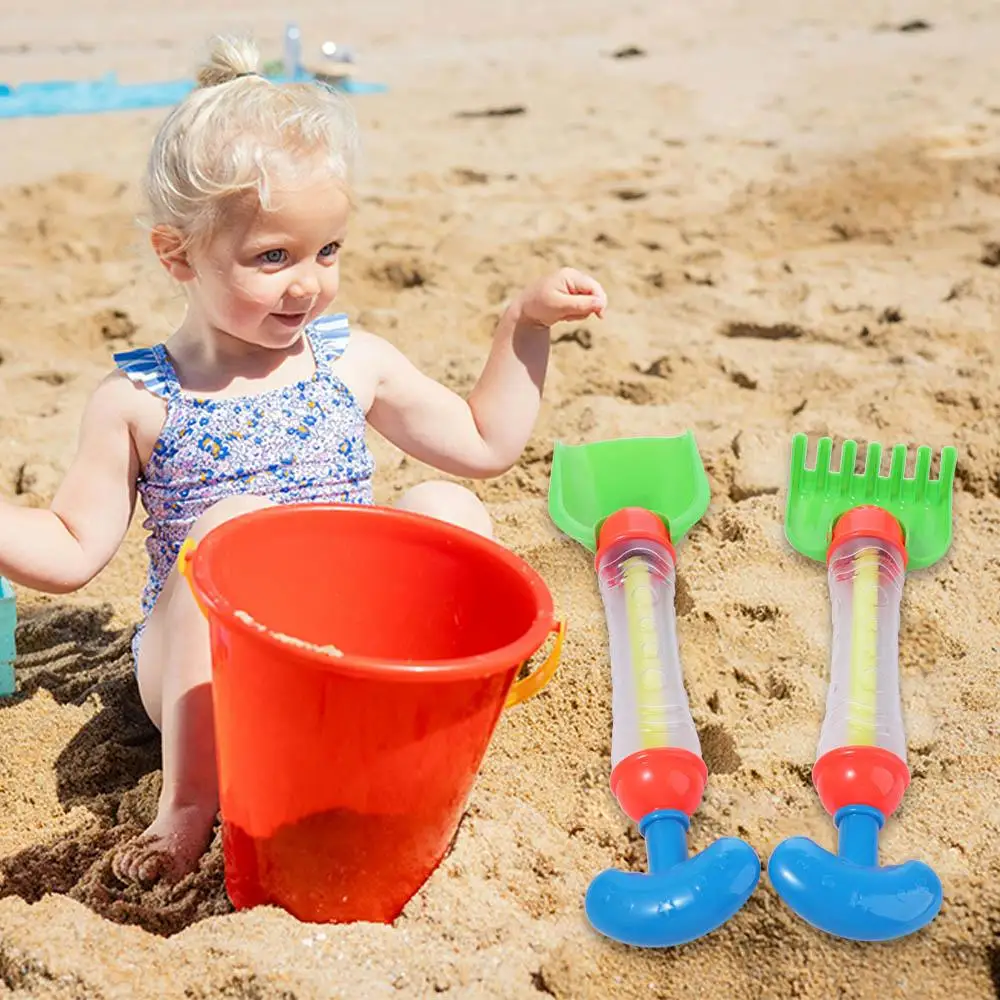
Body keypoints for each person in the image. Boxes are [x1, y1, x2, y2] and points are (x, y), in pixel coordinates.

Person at [0, 35, 607, 886]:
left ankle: (429, 719)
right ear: (177, 255)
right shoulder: (139, 399)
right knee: (229, 525)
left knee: (449, 512)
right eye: (272, 258)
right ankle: (187, 804)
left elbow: (483, 443)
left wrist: (524, 326)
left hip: (344, 648)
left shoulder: (351, 360)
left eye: (327, 252)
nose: (308, 285)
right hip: (209, 671)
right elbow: (69, 549)